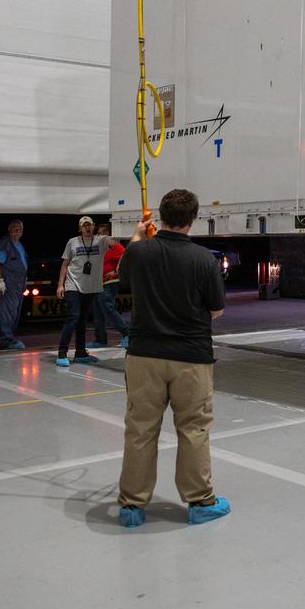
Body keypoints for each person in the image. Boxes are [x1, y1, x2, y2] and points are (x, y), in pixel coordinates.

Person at [115, 188, 230, 528]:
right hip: (191, 357)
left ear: (160, 217)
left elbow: (122, 276)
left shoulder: (138, 253)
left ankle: (132, 506)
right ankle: (200, 502)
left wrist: (137, 236)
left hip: (144, 356)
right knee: (193, 429)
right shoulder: (204, 260)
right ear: (193, 219)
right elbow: (216, 310)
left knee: (140, 429)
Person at [56, 216, 113, 367]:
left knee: (82, 319)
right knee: (74, 317)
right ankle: (62, 352)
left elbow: (115, 244)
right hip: (73, 285)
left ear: (93, 226)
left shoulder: (100, 241)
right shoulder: (72, 242)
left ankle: (80, 352)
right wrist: (60, 285)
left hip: (90, 287)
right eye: (84, 225)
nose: (87, 228)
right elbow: (65, 264)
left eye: (89, 225)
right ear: (80, 228)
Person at [89, 224, 129, 348]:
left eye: (101, 233)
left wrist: (116, 272)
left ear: (107, 234)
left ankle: (126, 333)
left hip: (109, 283)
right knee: (97, 312)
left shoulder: (114, 246)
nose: (98, 236)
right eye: (98, 233)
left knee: (107, 308)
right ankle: (100, 339)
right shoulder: (101, 249)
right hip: (98, 283)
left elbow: (126, 257)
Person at [0, 219, 28, 350]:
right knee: (6, 312)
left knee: (13, 313)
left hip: (18, 285)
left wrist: (24, 280)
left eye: (20, 229)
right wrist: (0, 281)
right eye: (15, 228)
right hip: (7, 284)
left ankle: (6, 338)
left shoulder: (19, 244)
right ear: (9, 229)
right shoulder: (4, 243)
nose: (17, 231)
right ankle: (6, 340)